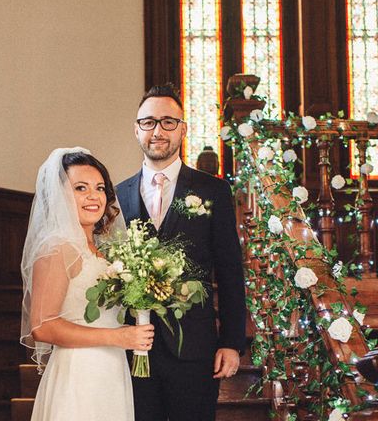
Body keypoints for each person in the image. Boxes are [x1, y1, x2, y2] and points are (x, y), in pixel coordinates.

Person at [116, 84, 246, 421]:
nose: (157, 131)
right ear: (136, 129)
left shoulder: (213, 190)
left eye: (168, 122)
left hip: (196, 348)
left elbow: (230, 270)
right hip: (133, 349)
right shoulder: (117, 195)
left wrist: (232, 342)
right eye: (148, 122)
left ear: (183, 129)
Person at [20, 148, 154, 421]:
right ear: (59, 196)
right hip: (78, 376)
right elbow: (42, 326)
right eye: (81, 188)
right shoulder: (56, 248)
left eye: (100, 188)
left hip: (112, 372)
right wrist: (118, 337)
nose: (94, 196)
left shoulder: (104, 253)